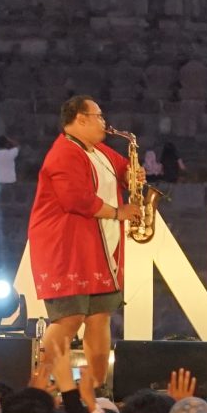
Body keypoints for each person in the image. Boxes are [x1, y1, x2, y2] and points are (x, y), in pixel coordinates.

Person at [28, 97, 131, 389]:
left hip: (98, 247)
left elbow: (122, 169)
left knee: (100, 317)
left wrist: (134, 174)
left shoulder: (99, 151)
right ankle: (38, 385)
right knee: (69, 318)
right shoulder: (63, 154)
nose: (104, 122)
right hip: (67, 247)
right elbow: (76, 199)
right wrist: (118, 212)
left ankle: (95, 388)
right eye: (98, 116)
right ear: (80, 118)